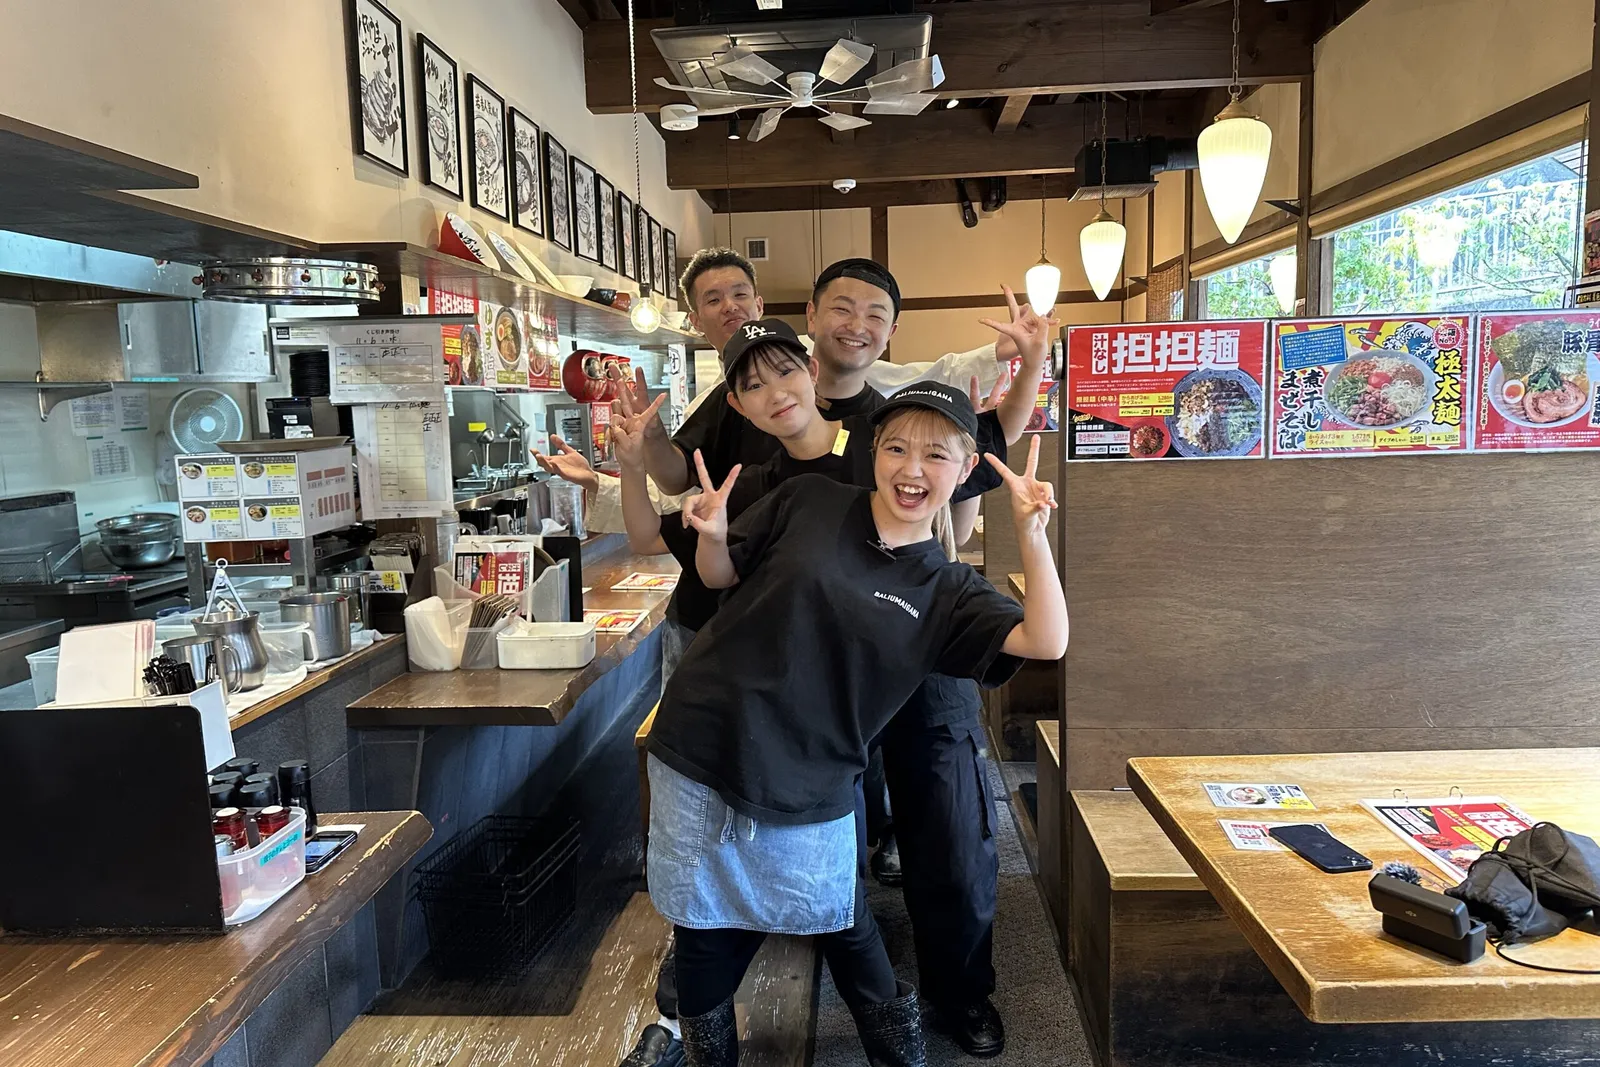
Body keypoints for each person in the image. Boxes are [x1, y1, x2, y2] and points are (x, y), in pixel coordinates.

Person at [647, 382, 1068, 1067]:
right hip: (701, 738)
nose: (911, 469)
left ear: (966, 469)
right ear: (874, 451)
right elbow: (718, 575)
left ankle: (901, 1054)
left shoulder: (947, 589)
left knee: (839, 914)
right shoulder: (809, 499)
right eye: (896, 448)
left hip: (813, 772)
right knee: (699, 923)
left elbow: (1046, 640)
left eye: (936, 455)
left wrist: (1031, 531)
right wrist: (715, 536)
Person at [535, 248, 1021, 536]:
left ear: (808, 369)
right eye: (753, 384)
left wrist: (1012, 360)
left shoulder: (880, 427)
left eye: (740, 295)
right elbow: (675, 499)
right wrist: (636, 457)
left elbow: (934, 379)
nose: (777, 393)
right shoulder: (752, 473)